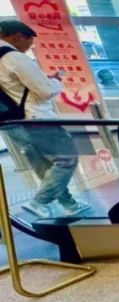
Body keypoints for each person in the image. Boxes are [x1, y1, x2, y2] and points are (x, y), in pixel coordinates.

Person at [0, 19, 88, 220]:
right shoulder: (14, 57)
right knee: (67, 158)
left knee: (45, 164)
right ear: (18, 36)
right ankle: (39, 202)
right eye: (30, 41)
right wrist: (55, 81)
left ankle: (68, 204)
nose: (30, 46)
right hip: (36, 119)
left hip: (11, 123)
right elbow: (45, 91)